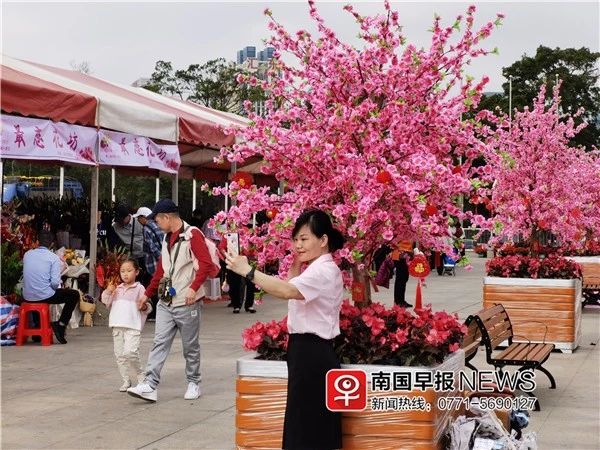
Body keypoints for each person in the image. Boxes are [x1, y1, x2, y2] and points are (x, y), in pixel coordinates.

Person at [226, 209, 344, 450]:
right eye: (296, 239)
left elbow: (286, 291)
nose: (298, 245)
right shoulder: (316, 269)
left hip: (313, 354)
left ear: (323, 240)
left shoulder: (323, 271)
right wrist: (296, 263)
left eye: (304, 239)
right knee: (304, 424)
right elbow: (292, 286)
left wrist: (247, 271)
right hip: (306, 352)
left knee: (308, 428)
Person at [127, 199, 213, 403]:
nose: (156, 224)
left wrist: (193, 288)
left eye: (157, 220)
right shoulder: (166, 238)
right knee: (159, 342)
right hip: (167, 301)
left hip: (188, 301)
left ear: (167, 217)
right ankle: (150, 384)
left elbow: (207, 264)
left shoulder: (193, 235)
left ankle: (194, 382)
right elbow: (161, 270)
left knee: (190, 346)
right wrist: (147, 294)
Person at [101, 258, 152, 392]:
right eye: (122, 271)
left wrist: (144, 306)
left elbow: (149, 308)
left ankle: (141, 376)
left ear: (137, 272)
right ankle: (126, 380)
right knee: (120, 355)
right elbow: (106, 303)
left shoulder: (140, 288)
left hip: (133, 326)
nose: (125, 274)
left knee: (130, 352)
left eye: (129, 271)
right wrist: (108, 291)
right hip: (117, 326)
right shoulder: (117, 288)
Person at [22, 231, 80, 344]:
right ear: (52, 244)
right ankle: (61, 325)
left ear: (37, 242)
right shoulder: (53, 258)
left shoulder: (27, 254)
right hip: (43, 295)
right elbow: (54, 283)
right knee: (73, 295)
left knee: (38, 291)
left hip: (27, 296)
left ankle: (37, 331)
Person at [133, 207, 164, 321]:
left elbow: (151, 247)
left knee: (153, 286)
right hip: (162, 259)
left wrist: (159, 258)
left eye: (139, 218)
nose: (138, 221)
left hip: (154, 262)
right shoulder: (157, 225)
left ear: (143, 218)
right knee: (159, 286)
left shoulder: (146, 228)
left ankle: (155, 313)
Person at [391, 240, 413, 308]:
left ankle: (401, 300)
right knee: (400, 279)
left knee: (404, 278)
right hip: (399, 255)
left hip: (404, 255)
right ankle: (398, 302)